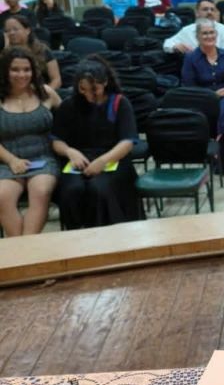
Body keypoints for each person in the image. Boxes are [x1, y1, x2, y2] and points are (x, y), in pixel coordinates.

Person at [51, 56, 139, 229]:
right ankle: (75, 234)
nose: (88, 95)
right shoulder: (69, 105)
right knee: (72, 190)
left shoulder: (119, 103)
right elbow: (56, 140)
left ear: (105, 82)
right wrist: (70, 152)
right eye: (83, 89)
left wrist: (103, 161)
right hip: (79, 159)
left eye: (94, 89)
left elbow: (127, 141)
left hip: (113, 159)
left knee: (99, 189)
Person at [164, 0, 224, 150]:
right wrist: (175, 46)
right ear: (197, 12)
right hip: (199, 78)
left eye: (212, 9)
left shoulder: (223, 30)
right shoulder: (187, 31)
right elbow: (167, 43)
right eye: (205, 9)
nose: (209, 12)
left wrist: (223, 78)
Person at [0, 47, 61, 236]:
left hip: (43, 158)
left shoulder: (46, 93)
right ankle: (22, 248)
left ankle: (25, 247)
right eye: (15, 69)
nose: (22, 75)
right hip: (7, 160)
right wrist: (12, 160)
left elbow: (69, 119)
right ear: (5, 71)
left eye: (26, 69)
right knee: (2, 196)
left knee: (41, 191)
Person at [181, 19, 224, 179]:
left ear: (216, 34)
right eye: (204, 33)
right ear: (197, 36)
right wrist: (212, 95)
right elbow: (189, 88)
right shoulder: (191, 58)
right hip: (202, 103)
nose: (209, 36)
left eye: (211, 32)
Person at [1, 12, 62, 89]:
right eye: (7, 31)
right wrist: (5, 49)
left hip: (42, 90)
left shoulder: (42, 50)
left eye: (15, 29)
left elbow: (56, 79)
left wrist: (44, 93)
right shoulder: (4, 53)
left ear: (28, 30)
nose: (11, 33)